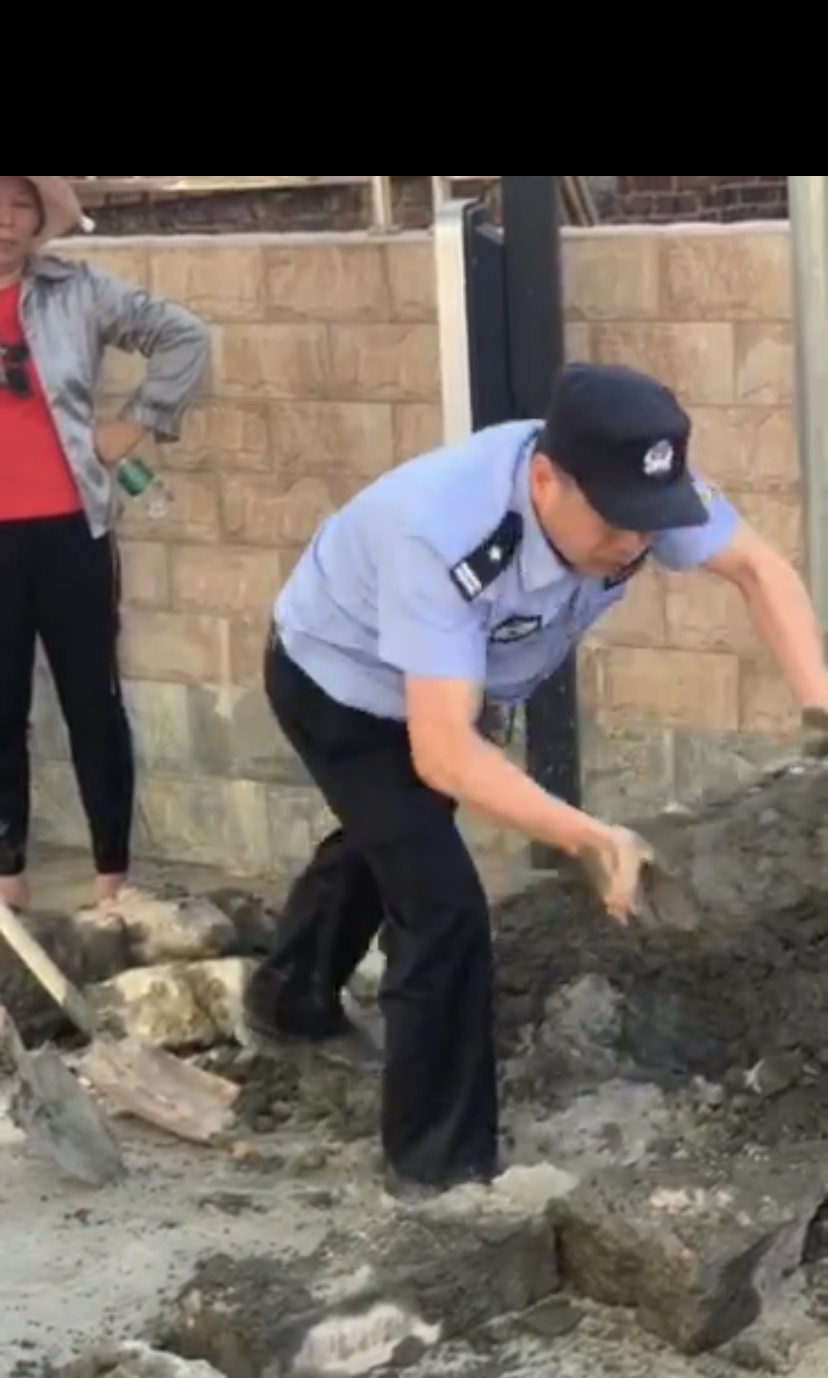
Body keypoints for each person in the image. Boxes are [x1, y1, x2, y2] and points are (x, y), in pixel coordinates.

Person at [245, 361, 828, 1196]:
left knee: (392, 836)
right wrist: (587, 836)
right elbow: (443, 754)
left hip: (450, 686)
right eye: (617, 524)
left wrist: (820, 705)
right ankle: (439, 1170)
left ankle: (288, 1000)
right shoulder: (443, 531)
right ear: (547, 480)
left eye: (649, 523)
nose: (635, 544)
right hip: (339, 683)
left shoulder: (633, 484)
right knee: (442, 904)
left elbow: (760, 570)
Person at [0, 174, 209, 910]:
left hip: (71, 529)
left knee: (93, 702)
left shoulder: (78, 290)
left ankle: (111, 879)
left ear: (39, 219)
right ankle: (7, 879)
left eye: (20, 204)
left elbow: (185, 336)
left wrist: (136, 421)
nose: (4, 219)